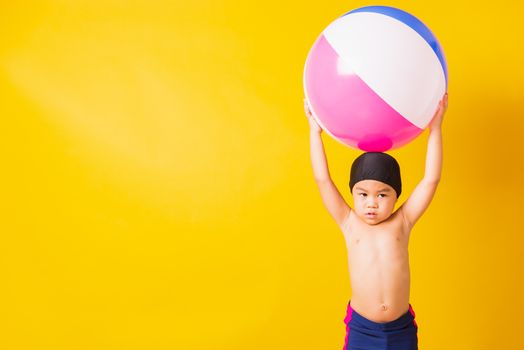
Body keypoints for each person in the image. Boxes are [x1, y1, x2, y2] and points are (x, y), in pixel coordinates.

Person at [305, 93, 448, 350]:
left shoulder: (403, 221)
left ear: (396, 196)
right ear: (353, 195)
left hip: (400, 328)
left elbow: (430, 180)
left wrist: (435, 129)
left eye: (382, 194)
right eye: (363, 194)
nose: (372, 202)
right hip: (363, 329)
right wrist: (315, 132)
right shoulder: (349, 222)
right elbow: (322, 179)